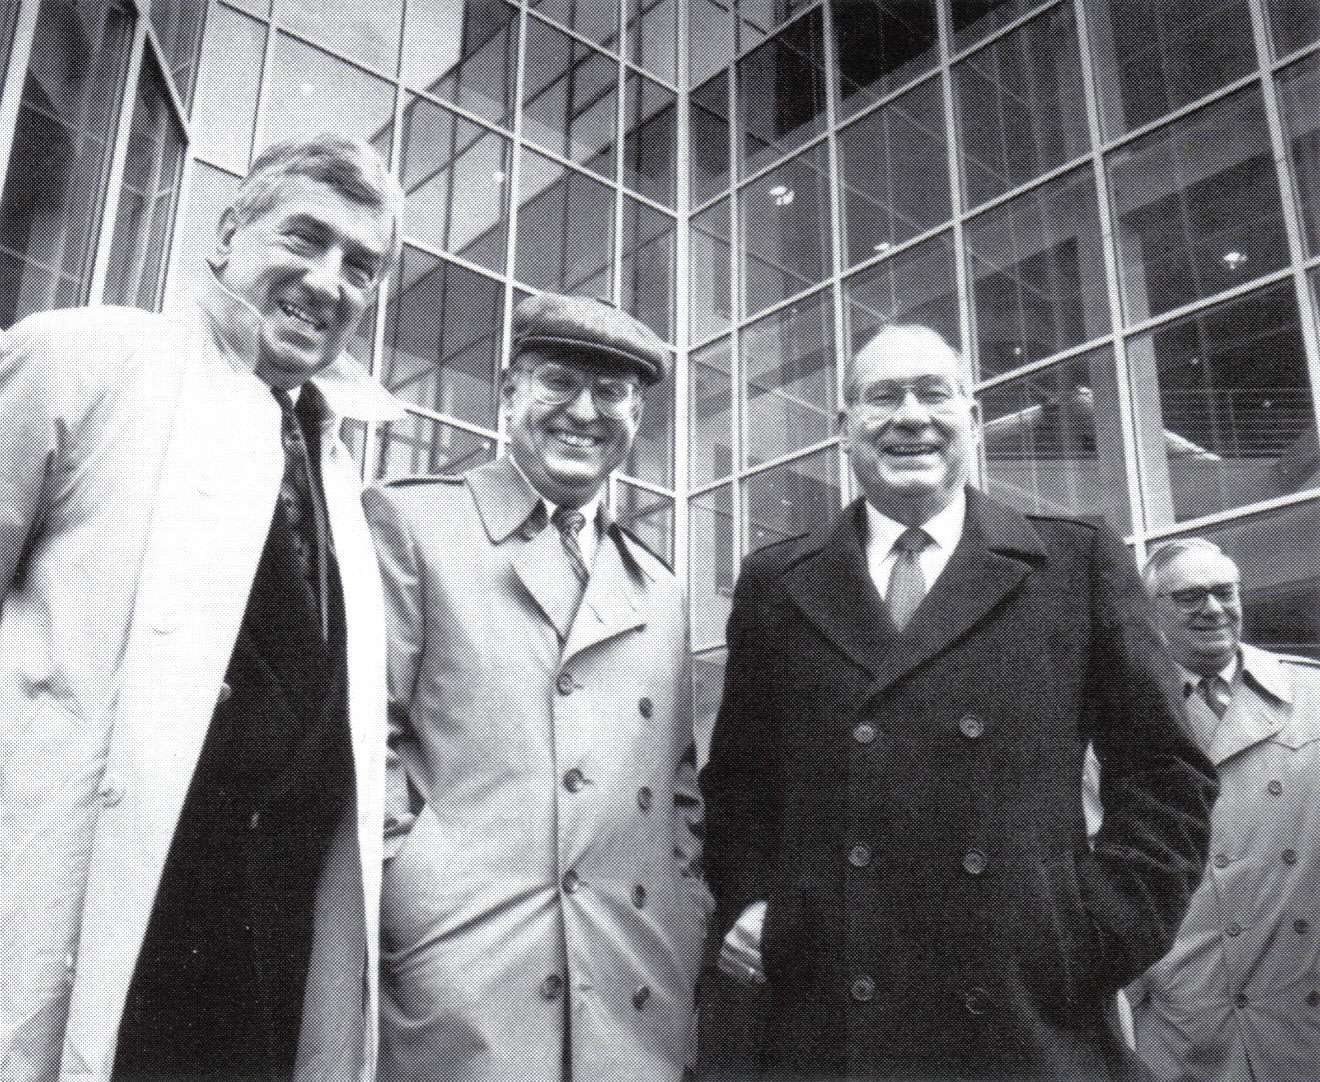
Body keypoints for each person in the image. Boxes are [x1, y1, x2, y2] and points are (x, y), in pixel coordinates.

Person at [698, 324, 1218, 1081]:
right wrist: (751, 906)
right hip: (830, 1008)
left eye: (933, 394)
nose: (911, 415)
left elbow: (1165, 770)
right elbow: (739, 784)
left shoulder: (1075, 562)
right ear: (845, 431)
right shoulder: (776, 581)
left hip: (1027, 1011)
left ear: (970, 420)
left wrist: (1099, 930)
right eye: (883, 397)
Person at [0, 133, 405, 1082]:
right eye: (305, 239)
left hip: (253, 956)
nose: (328, 281)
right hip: (87, 908)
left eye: (361, 266)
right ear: (227, 233)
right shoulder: (85, 358)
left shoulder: (335, 460)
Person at [364, 293, 710, 1082]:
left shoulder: (660, 588)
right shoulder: (412, 524)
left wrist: (687, 917)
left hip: (634, 984)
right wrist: (413, 892)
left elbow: (678, 786)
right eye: (558, 381)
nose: (584, 411)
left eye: (613, 393)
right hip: (463, 976)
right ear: (510, 392)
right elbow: (365, 741)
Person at [1127, 538, 1320, 1082]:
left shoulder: (1313, 694)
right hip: (1189, 1020)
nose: (1212, 608)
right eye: (1189, 596)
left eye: (1223, 592)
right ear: (1151, 613)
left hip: (1300, 1001)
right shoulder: (1122, 717)